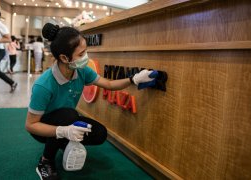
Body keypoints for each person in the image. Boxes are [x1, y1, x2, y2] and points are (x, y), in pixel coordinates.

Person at [25, 23, 155, 180]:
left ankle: (63, 143)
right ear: (64, 58)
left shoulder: (80, 70)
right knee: (68, 115)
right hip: (44, 128)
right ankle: (45, 161)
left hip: (67, 120)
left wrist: (133, 79)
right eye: (81, 54)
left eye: (85, 51)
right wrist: (63, 131)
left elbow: (108, 84)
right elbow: (31, 125)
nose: (86, 57)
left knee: (99, 134)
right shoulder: (43, 85)